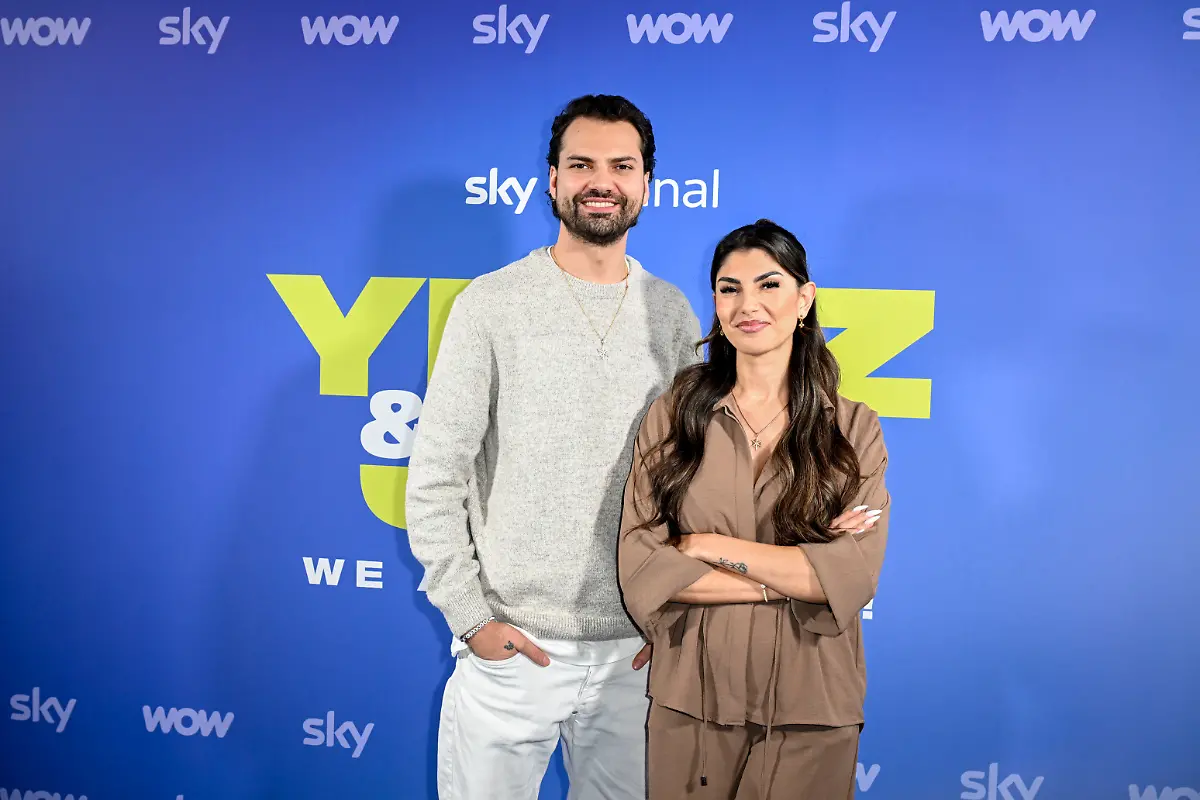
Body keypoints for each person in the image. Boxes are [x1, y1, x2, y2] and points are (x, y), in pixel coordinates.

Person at [404, 94, 702, 799]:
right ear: (553, 180)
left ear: (646, 185)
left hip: (635, 655)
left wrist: (670, 616)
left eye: (621, 166)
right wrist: (472, 619)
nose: (602, 181)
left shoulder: (674, 314)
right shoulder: (491, 303)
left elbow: (696, 483)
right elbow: (437, 473)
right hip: (514, 651)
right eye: (583, 165)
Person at [617, 219, 891, 798]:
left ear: (804, 298)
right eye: (728, 287)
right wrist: (796, 571)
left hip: (811, 700)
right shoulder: (673, 416)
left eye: (769, 284)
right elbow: (643, 567)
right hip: (692, 695)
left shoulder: (854, 428)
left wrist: (705, 548)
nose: (747, 304)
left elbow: (854, 574)